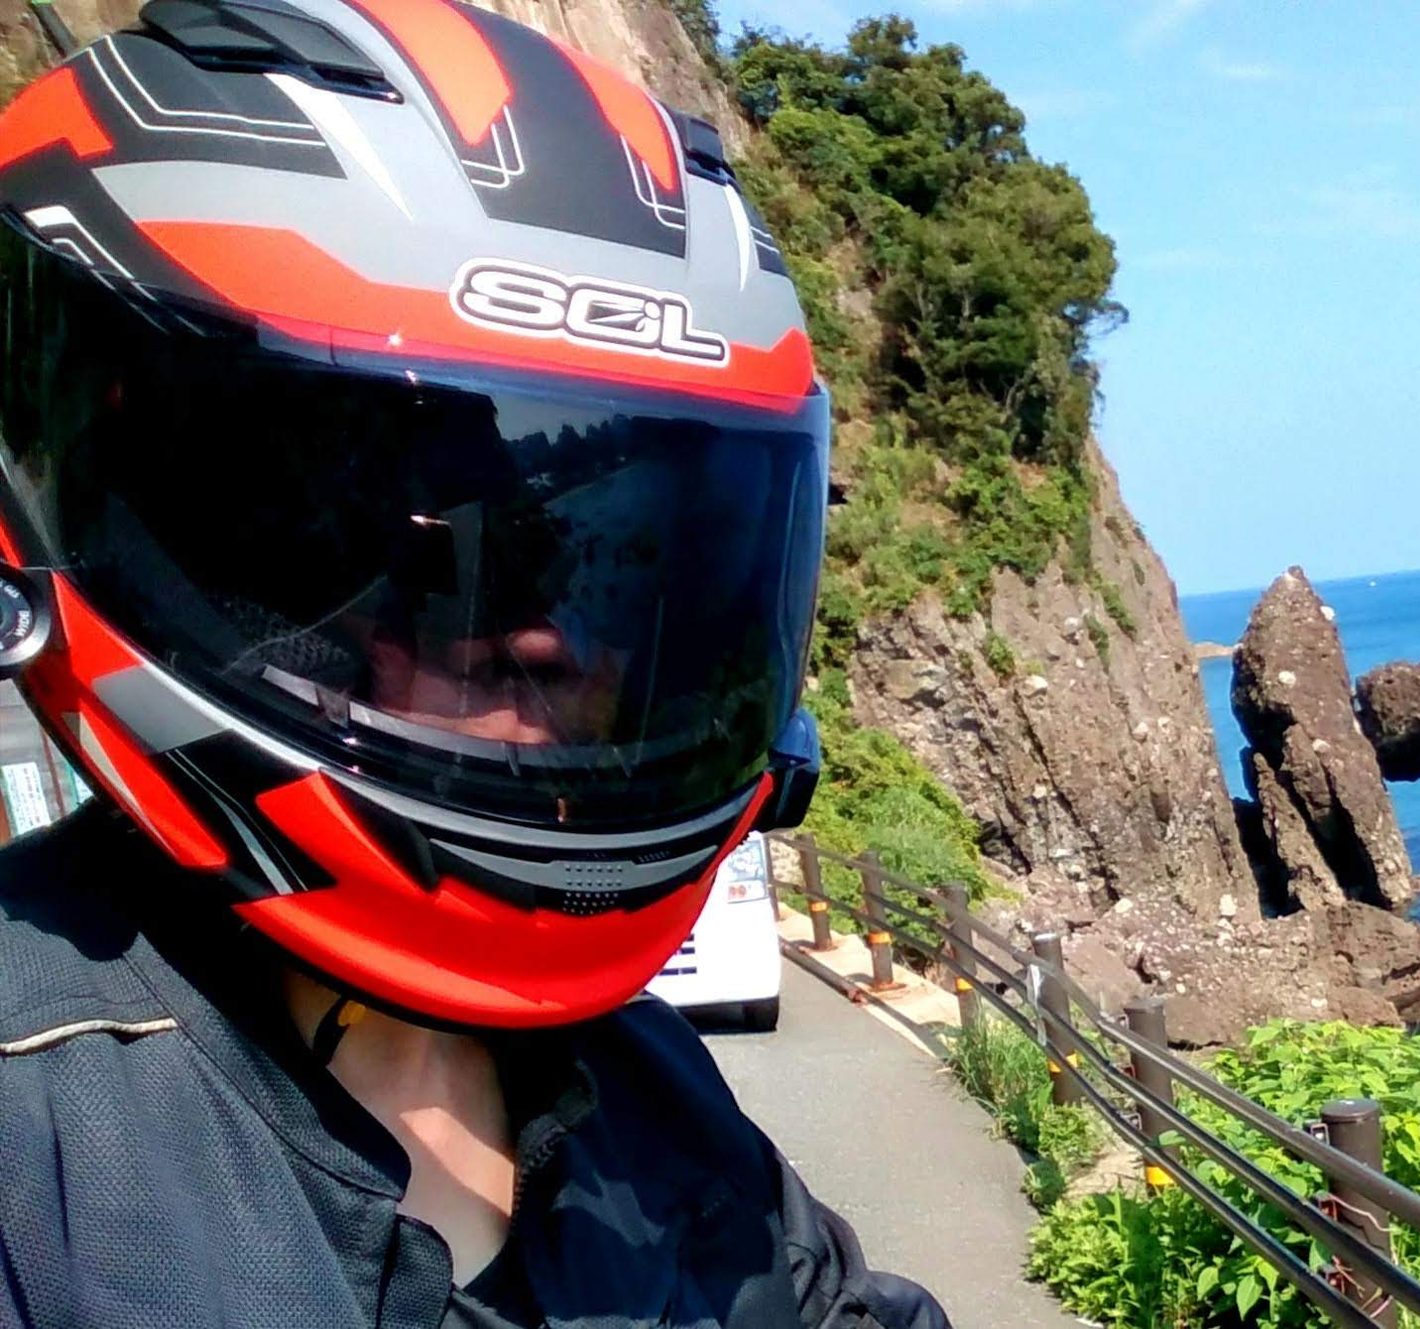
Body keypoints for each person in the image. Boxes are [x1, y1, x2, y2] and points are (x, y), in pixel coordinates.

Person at [0, 1, 950, 1325]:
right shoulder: (42, 1133)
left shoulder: (635, 1078)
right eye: (413, 561)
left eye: (570, 565)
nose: (549, 633)